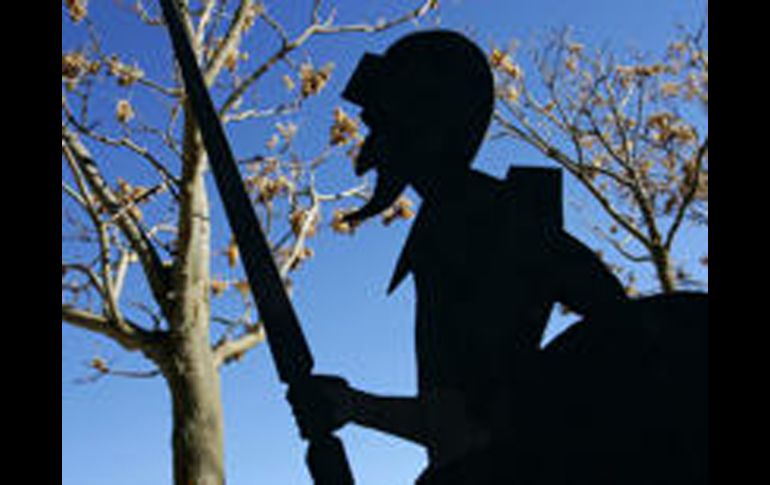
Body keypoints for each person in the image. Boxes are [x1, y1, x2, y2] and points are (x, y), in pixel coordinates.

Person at [288, 30, 706, 484]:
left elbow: (470, 430)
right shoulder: (454, 222)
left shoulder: (481, 219)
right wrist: (352, 405)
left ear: (426, 122)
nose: (371, 139)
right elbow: (464, 419)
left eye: (383, 120)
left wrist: (355, 407)